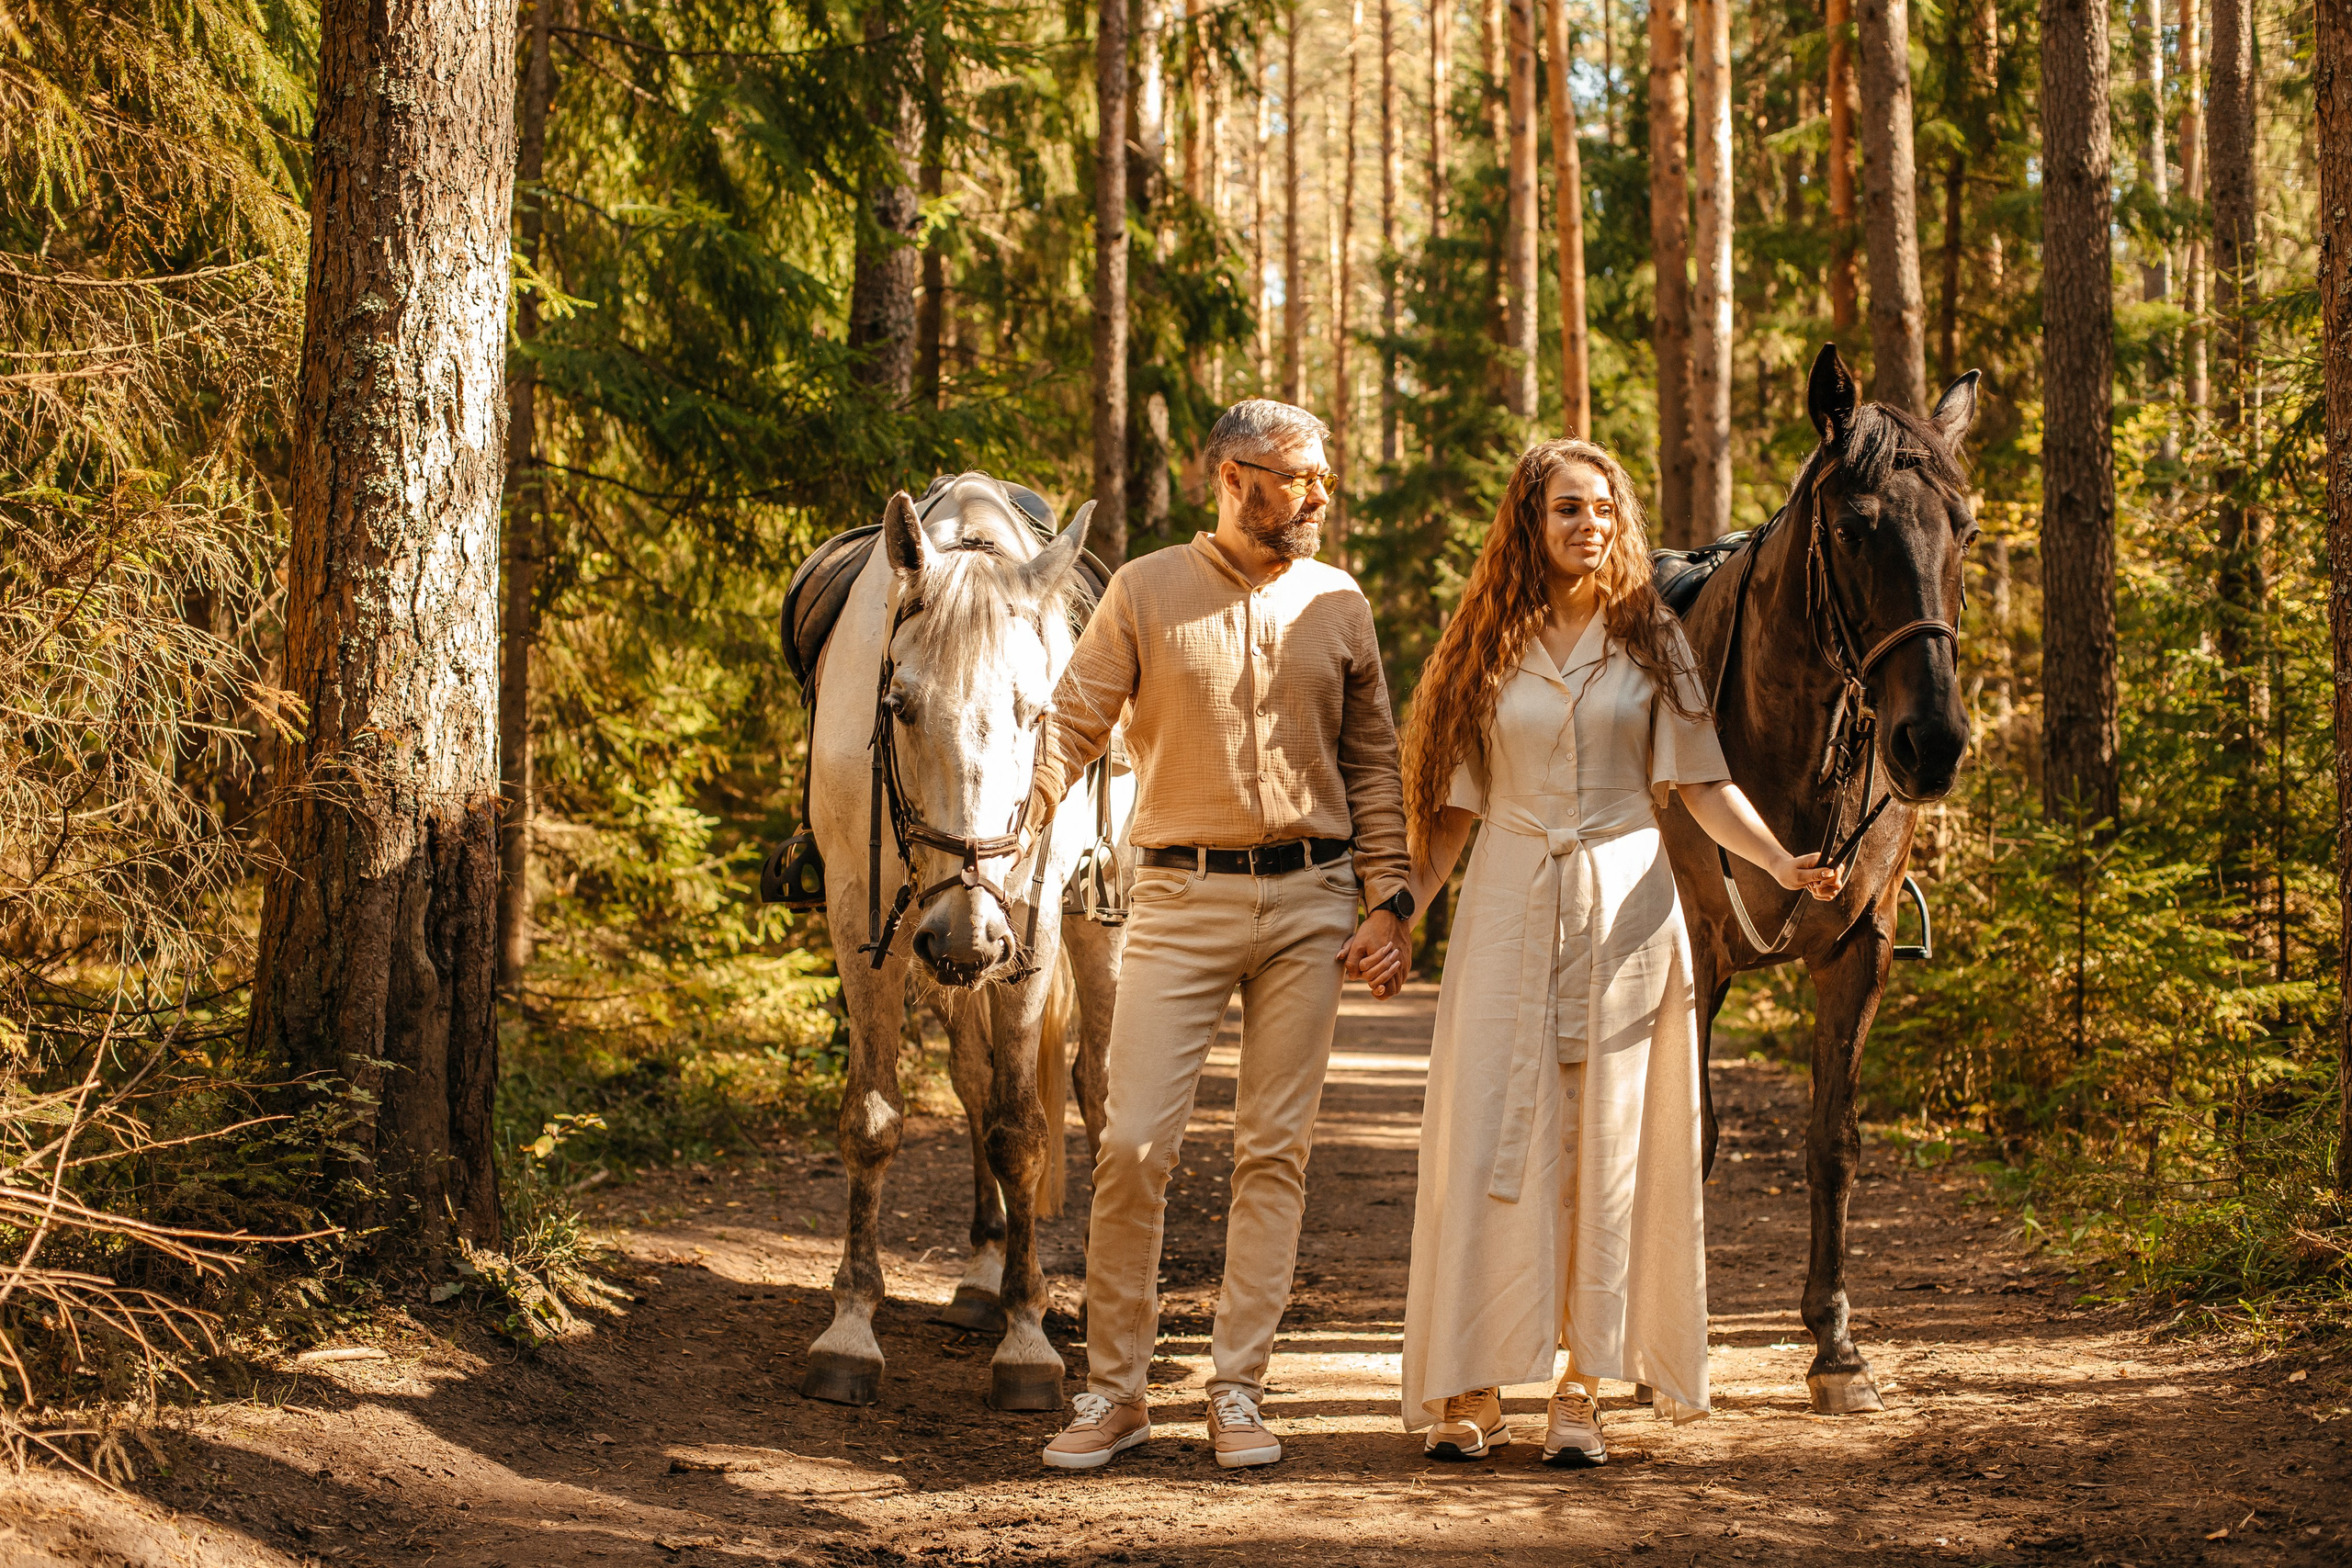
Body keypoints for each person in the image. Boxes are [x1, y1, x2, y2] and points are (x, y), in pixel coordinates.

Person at [1349, 438, 1841, 1467]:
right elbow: (1447, 816)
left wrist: (1782, 863)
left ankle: (1583, 1386)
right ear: (1529, 522)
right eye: (1567, 508)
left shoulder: (1651, 638)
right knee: (1490, 1139)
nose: (1590, 526)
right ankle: (1473, 1384)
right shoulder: (1482, 642)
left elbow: (1701, 785)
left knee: (1612, 1145)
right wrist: (1399, 912)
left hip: (1624, 904)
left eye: (1604, 510)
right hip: (1505, 908)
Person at [1026, 399, 1414, 1472]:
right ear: (1234, 478)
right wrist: (1025, 820)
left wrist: (1391, 895)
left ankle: (1237, 1391)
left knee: (1273, 1153)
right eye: (1300, 479)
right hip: (1179, 898)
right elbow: (1072, 719)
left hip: (1311, 904)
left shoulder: (1339, 601)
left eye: (1321, 478)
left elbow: (1374, 761)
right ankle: (1116, 1393)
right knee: (1133, 1144)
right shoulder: (1144, 589)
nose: (1317, 497)